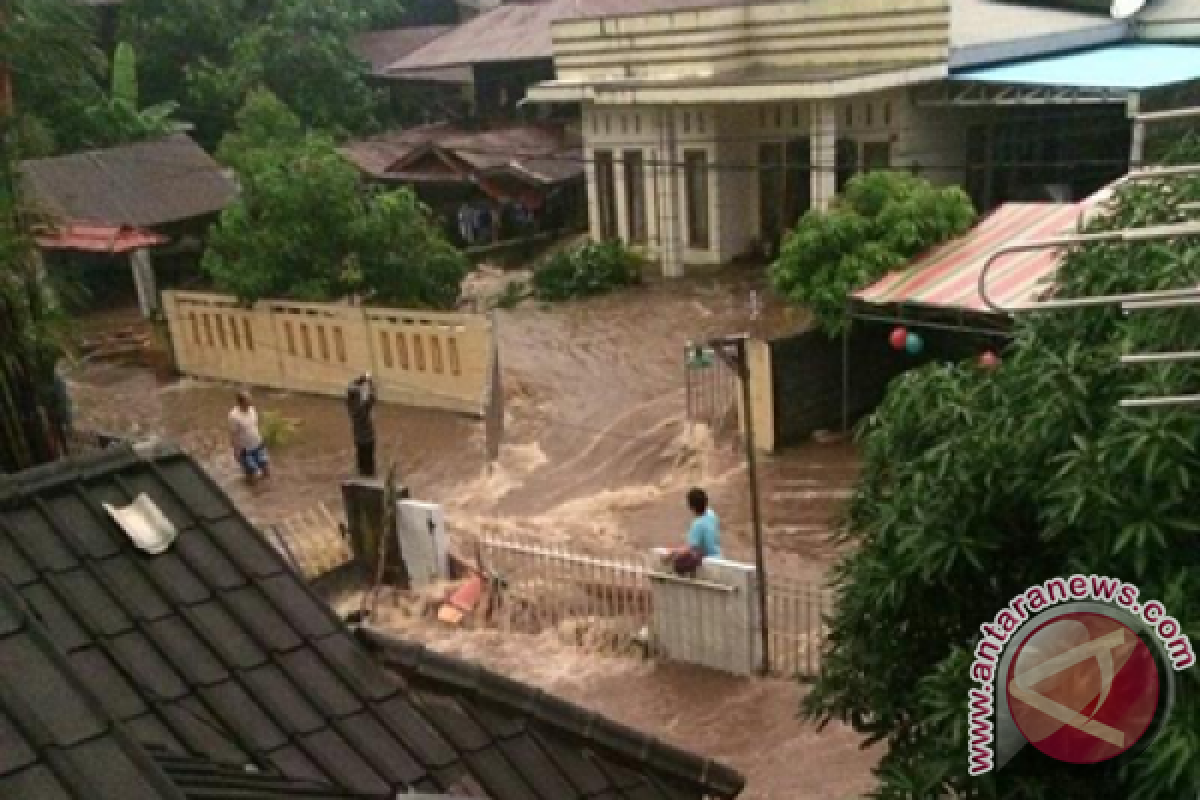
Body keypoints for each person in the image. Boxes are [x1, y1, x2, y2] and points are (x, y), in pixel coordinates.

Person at [664, 487, 721, 576]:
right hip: (719, 557)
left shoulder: (698, 524)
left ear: (691, 507)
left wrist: (672, 552)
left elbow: (689, 549)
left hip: (709, 564)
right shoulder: (711, 514)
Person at [229, 391, 270, 482]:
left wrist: (262, 438)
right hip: (245, 449)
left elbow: (255, 426)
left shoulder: (252, 409)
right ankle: (251, 488)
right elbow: (233, 434)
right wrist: (236, 451)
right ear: (241, 402)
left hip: (258, 444)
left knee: (266, 471)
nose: (251, 401)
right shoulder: (233, 416)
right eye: (249, 400)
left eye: (251, 399)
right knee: (253, 474)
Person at [347, 373, 377, 478]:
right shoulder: (363, 407)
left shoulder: (350, 407)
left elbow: (350, 388)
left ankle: (363, 478)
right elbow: (373, 397)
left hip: (358, 440)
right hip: (368, 440)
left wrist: (361, 379)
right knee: (370, 466)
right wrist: (370, 382)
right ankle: (370, 477)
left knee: (361, 465)